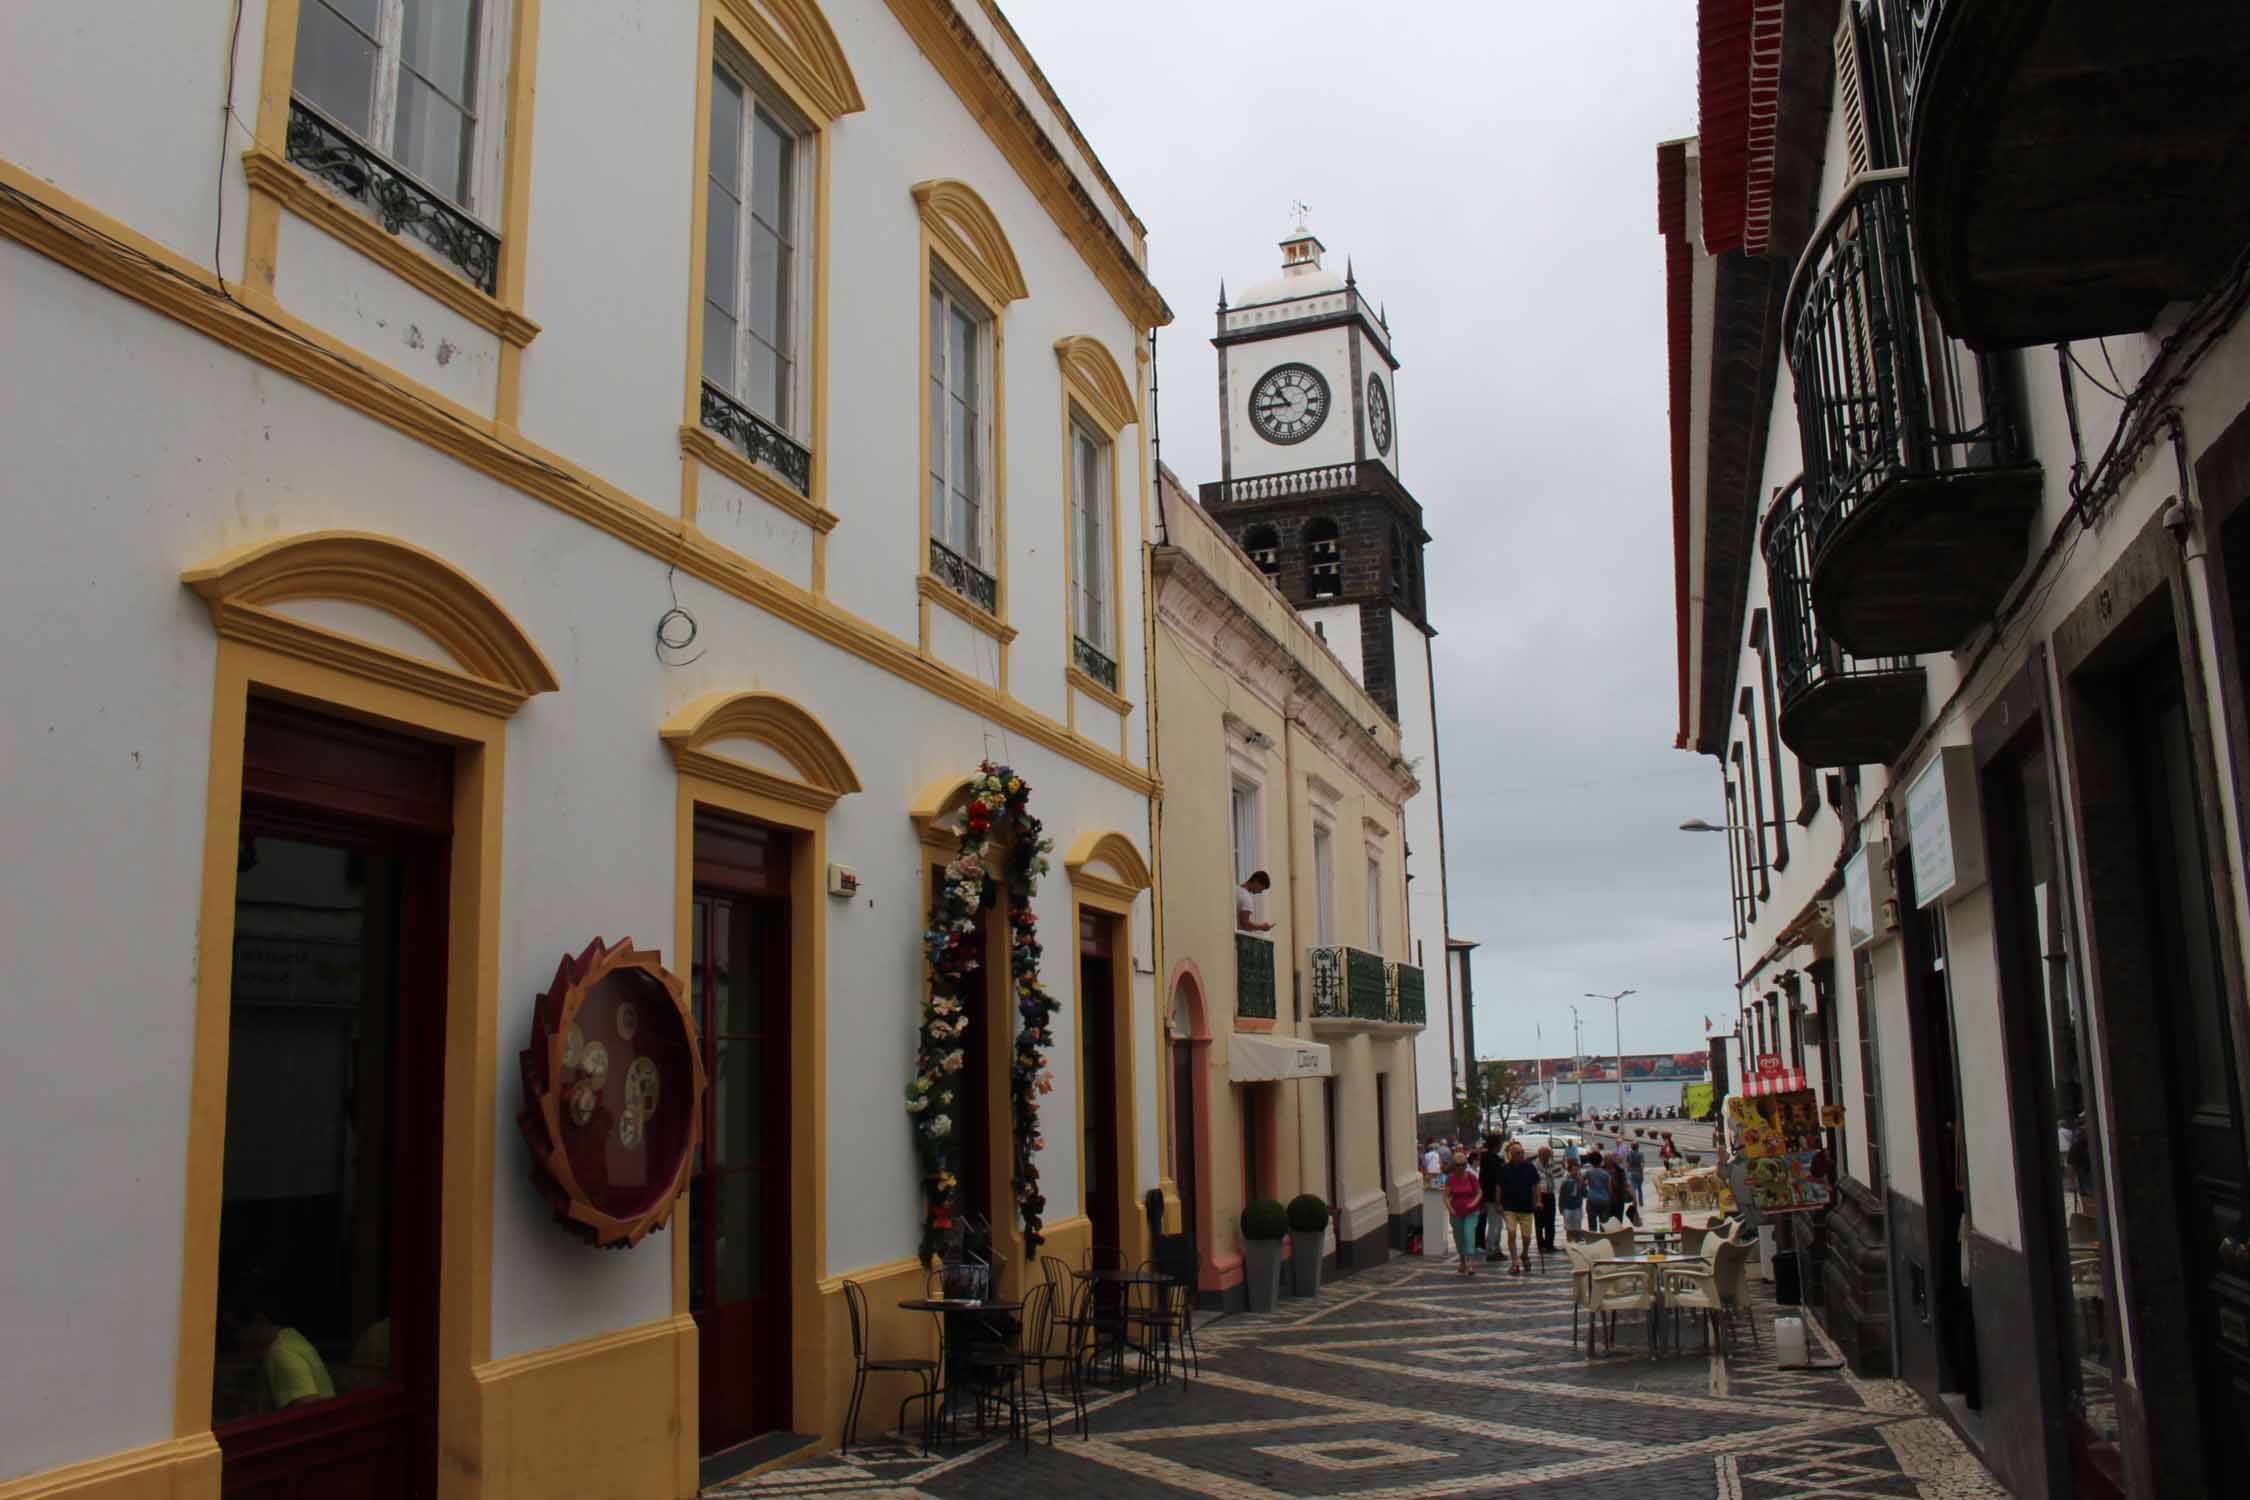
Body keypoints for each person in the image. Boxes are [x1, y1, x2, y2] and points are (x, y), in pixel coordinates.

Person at [224, 1299, 334, 1413]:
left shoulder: (281, 1352)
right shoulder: (291, 1338)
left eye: (237, 1330)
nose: (236, 1339)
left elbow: (307, 1408)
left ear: (259, 1321)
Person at [1496, 1140, 1543, 1274]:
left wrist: (1538, 1200)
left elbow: (1536, 1185)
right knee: (1511, 1233)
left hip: (1526, 1206)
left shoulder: (1530, 1167)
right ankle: (1515, 1261)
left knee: (1526, 1237)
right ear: (1511, 1154)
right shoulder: (1504, 1169)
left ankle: (1525, 1254)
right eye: (1518, 1153)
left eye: (1522, 1152)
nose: (1521, 1155)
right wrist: (1499, 1203)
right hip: (1509, 1206)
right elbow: (1499, 1187)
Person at [1444, 1150, 1483, 1276]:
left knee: (1468, 1234)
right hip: (1456, 1212)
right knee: (1459, 1237)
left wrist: (1474, 1203)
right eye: (1458, 1165)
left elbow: (1479, 1192)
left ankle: (1470, 1264)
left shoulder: (1471, 1176)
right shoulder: (1451, 1178)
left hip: (1471, 1212)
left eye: (1463, 1165)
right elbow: (1446, 1196)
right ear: (1454, 1166)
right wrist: (1450, 1209)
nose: (1461, 1167)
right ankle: (1462, 1261)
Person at [1479, 1131, 1507, 1261]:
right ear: (1497, 1145)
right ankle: (1492, 1249)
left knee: (1495, 1224)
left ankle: (1495, 1248)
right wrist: (1498, 1200)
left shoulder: (1485, 1158)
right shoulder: (1495, 1160)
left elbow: (1482, 1180)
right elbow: (1498, 1181)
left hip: (1488, 1196)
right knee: (1495, 1225)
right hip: (1495, 1197)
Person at [1532, 1145, 1562, 1254]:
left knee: (1551, 1221)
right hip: (1539, 1195)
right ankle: (1541, 1245)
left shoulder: (1551, 1164)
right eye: (1546, 1155)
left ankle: (1550, 1244)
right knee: (1539, 1222)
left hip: (1549, 1195)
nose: (1547, 1157)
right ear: (1540, 1155)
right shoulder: (1534, 1166)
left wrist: (1555, 1165)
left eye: (1549, 1155)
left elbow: (1560, 1173)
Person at [1582, 1147, 1612, 1228]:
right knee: (1604, 1224)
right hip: (1604, 1199)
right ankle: (1603, 1237)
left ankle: (1593, 1237)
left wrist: (1585, 1192)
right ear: (1601, 1161)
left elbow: (1581, 1181)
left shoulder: (1588, 1172)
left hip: (1592, 1199)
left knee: (1592, 1224)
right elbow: (1609, 1188)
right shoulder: (1606, 1174)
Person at [1558, 1162, 1587, 1240]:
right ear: (1570, 1171)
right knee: (1568, 1227)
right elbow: (1561, 1195)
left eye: (1577, 1170)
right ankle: (1569, 1239)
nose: (1576, 1172)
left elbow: (1585, 1194)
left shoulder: (1580, 1181)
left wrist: (1582, 1184)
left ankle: (1577, 1238)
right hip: (1567, 1207)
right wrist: (1561, 1207)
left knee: (1577, 1225)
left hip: (1577, 1206)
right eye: (1574, 1170)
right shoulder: (1565, 1182)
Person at [1625, 1140, 1647, 1206]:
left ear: (1631, 1147)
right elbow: (1642, 1165)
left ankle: (1634, 1201)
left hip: (1631, 1173)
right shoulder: (1641, 1154)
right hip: (1639, 1173)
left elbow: (1627, 1165)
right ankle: (1641, 1202)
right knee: (1640, 1188)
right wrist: (1641, 1170)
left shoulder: (1628, 1154)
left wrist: (1627, 1172)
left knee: (1633, 1188)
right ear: (1638, 1147)